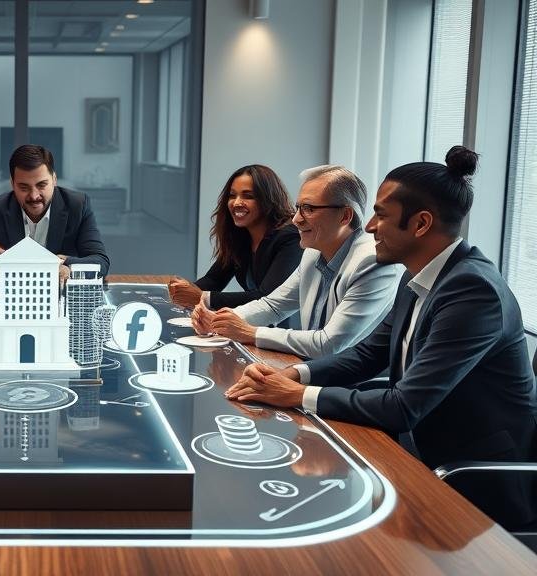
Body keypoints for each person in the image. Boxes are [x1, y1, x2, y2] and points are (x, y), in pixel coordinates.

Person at [226, 146, 537, 528]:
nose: (369, 226)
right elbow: (367, 354)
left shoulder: (473, 291)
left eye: (381, 215)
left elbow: (405, 405)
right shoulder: (418, 274)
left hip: (470, 481)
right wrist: (294, 376)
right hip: (419, 451)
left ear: (421, 224)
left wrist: (297, 396)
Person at [192, 165, 399, 359]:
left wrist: (250, 333)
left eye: (308, 209)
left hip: (352, 387)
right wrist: (218, 321)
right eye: (298, 207)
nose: (296, 219)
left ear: (345, 216)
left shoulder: (371, 262)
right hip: (313, 369)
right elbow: (274, 306)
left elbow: (328, 344)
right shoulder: (312, 251)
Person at [0, 144, 110, 285]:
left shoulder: (78, 205)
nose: (34, 195)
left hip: (63, 301)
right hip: (10, 301)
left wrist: (66, 265)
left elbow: (100, 262)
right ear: (12, 184)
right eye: (24, 187)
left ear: (54, 180)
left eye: (41, 185)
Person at [169, 165, 302, 316]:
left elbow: (267, 298)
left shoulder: (290, 237)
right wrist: (183, 292)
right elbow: (214, 279)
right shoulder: (241, 235)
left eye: (248, 196)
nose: (237, 202)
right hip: (254, 326)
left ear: (268, 199)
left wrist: (203, 298)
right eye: (232, 195)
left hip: (284, 331)